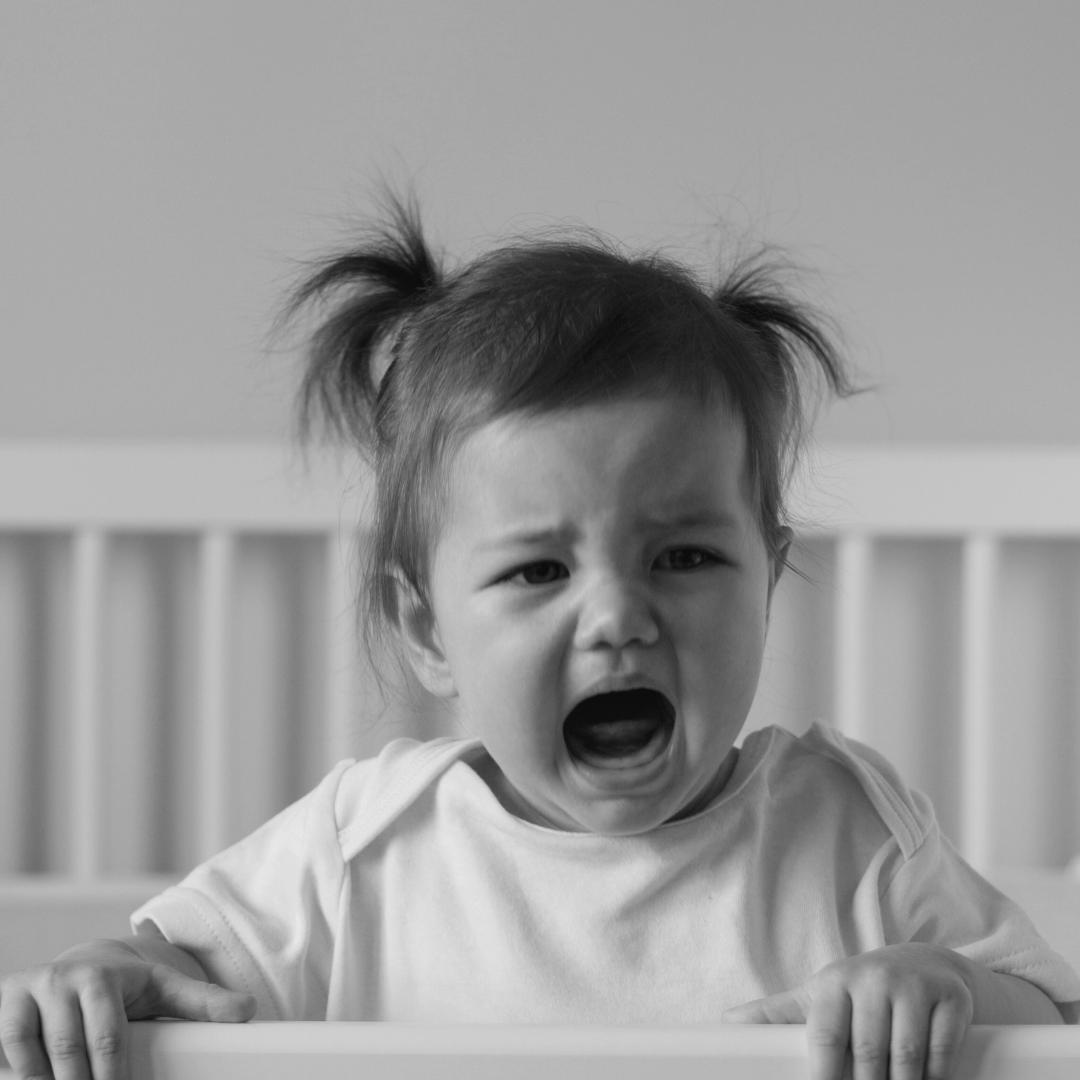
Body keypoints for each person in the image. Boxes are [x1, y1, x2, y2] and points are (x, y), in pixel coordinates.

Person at [2, 197, 1077, 1080]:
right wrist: (102, 969)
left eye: (685, 557)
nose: (617, 616)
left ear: (767, 576)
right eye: (538, 572)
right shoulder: (360, 852)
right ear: (427, 629)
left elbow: (1049, 1017)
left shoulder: (852, 837)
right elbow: (171, 973)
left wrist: (945, 984)